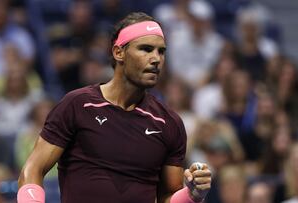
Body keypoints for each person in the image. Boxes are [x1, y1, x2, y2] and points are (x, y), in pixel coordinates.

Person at [17, 12, 211, 203]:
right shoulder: (77, 105)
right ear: (119, 53)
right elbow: (32, 170)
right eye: (146, 49)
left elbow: (167, 198)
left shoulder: (170, 123)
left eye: (161, 51)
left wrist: (192, 195)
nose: (156, 59)